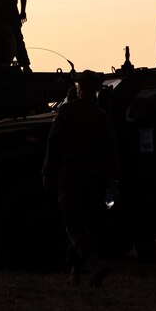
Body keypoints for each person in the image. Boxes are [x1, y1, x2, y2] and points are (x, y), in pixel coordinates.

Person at [42, 70, 118, 287]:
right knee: (83, 223)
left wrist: (48, 172)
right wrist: (113, 181)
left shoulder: (67, 112)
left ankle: (95, 264)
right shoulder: (102, 118)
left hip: (70, 176)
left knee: (73, 224)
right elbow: (111, 153)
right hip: (92, 179)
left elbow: (54, 144)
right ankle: (75, 271)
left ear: (79, 88)